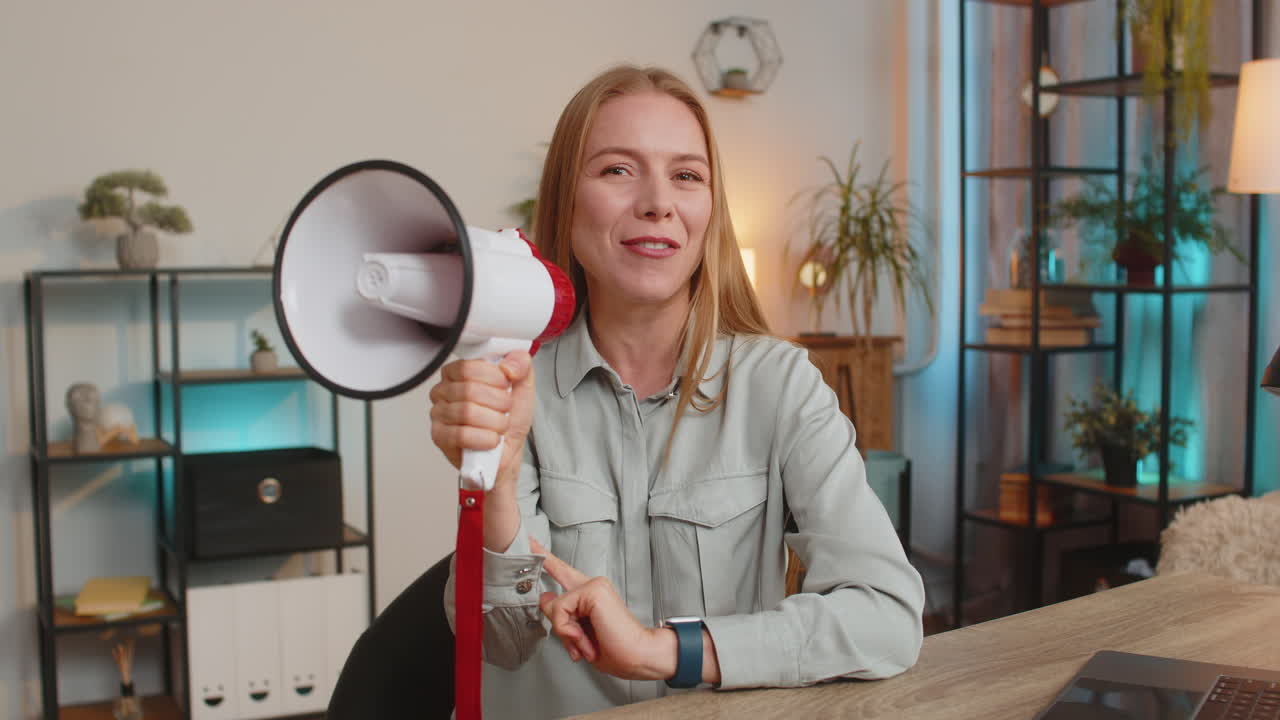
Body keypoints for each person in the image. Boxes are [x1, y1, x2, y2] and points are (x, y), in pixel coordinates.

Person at [430, 65, 924, 719]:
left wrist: (667, 651)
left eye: (686, 175)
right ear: (566, 201)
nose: (658, 202)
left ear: (709, 210)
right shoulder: (515, 383)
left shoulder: (780, 386)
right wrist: (496, 479)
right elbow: (498, 640)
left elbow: (887, 617)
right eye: (617, 170)